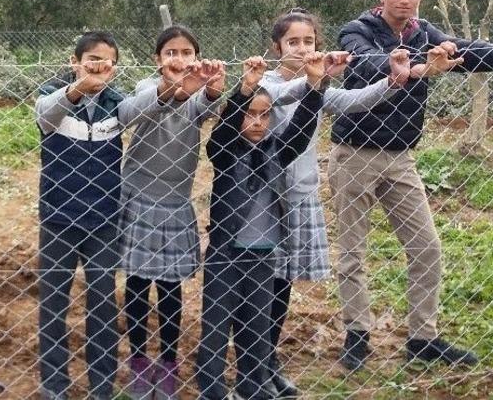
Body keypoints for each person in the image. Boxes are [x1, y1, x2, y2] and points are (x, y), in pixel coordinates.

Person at [329, 0, 493, 371]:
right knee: (353, 251)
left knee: (427, 248)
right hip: (354, 155)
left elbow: (467, 51)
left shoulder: (424, 32)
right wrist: (418, 67)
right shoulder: (357, 31)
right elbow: (366, 64)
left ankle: (422, 338)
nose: (405, 0)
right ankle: (358, 334)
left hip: (400, 158)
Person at [34, 31, 204, 400]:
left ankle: (102, 387)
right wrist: (78, 86)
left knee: (102, 305)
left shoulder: (117, 103)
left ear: (115, 66)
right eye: (91, 59)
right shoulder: (52, 94)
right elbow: (45, 117)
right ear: (74, 61)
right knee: (53, 305)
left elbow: (143, 108)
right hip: (58, 217)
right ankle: (54, 386)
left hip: (104, 219)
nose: (98, 65)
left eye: (106, 60)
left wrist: (170, 86)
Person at [259, 8, 410, 397]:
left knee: (282, 285)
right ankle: (254, 361)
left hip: (302, 195)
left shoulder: (318, 86)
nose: (301, 47)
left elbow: (353, 100)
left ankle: (267, 359)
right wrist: (315, 81)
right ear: (277, 47)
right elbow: (283, 95)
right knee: (261, 284)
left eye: (308, 41)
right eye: (293, 42)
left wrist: (392, 81)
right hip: (265, 200)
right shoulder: (264, 83)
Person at [195, 54, 326, 400]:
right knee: (216, 327)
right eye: (249, 114)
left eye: (263, 115)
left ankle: (253, 387)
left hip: (264, 256)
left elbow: (301, 129)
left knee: (256, 327)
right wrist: (245, 90)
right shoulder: (224, 152)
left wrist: (315, 86)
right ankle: (213, 389)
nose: (256, 122)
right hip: (226, 256)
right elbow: (222, 132)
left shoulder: (275, 151)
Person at [118, 24, 226, 400]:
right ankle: (137, 361)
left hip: (176, 203)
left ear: (195, 58)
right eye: (171, 53)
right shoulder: (147, 89)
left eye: (186, 53)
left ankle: (166, 362)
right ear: (158, 60)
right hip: (138, 197)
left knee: (169, 287)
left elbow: (213, 107)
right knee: (135, 283)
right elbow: (132, 111)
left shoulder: (197, 95)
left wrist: (212, 87)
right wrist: (174, 90)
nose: (179, 59)